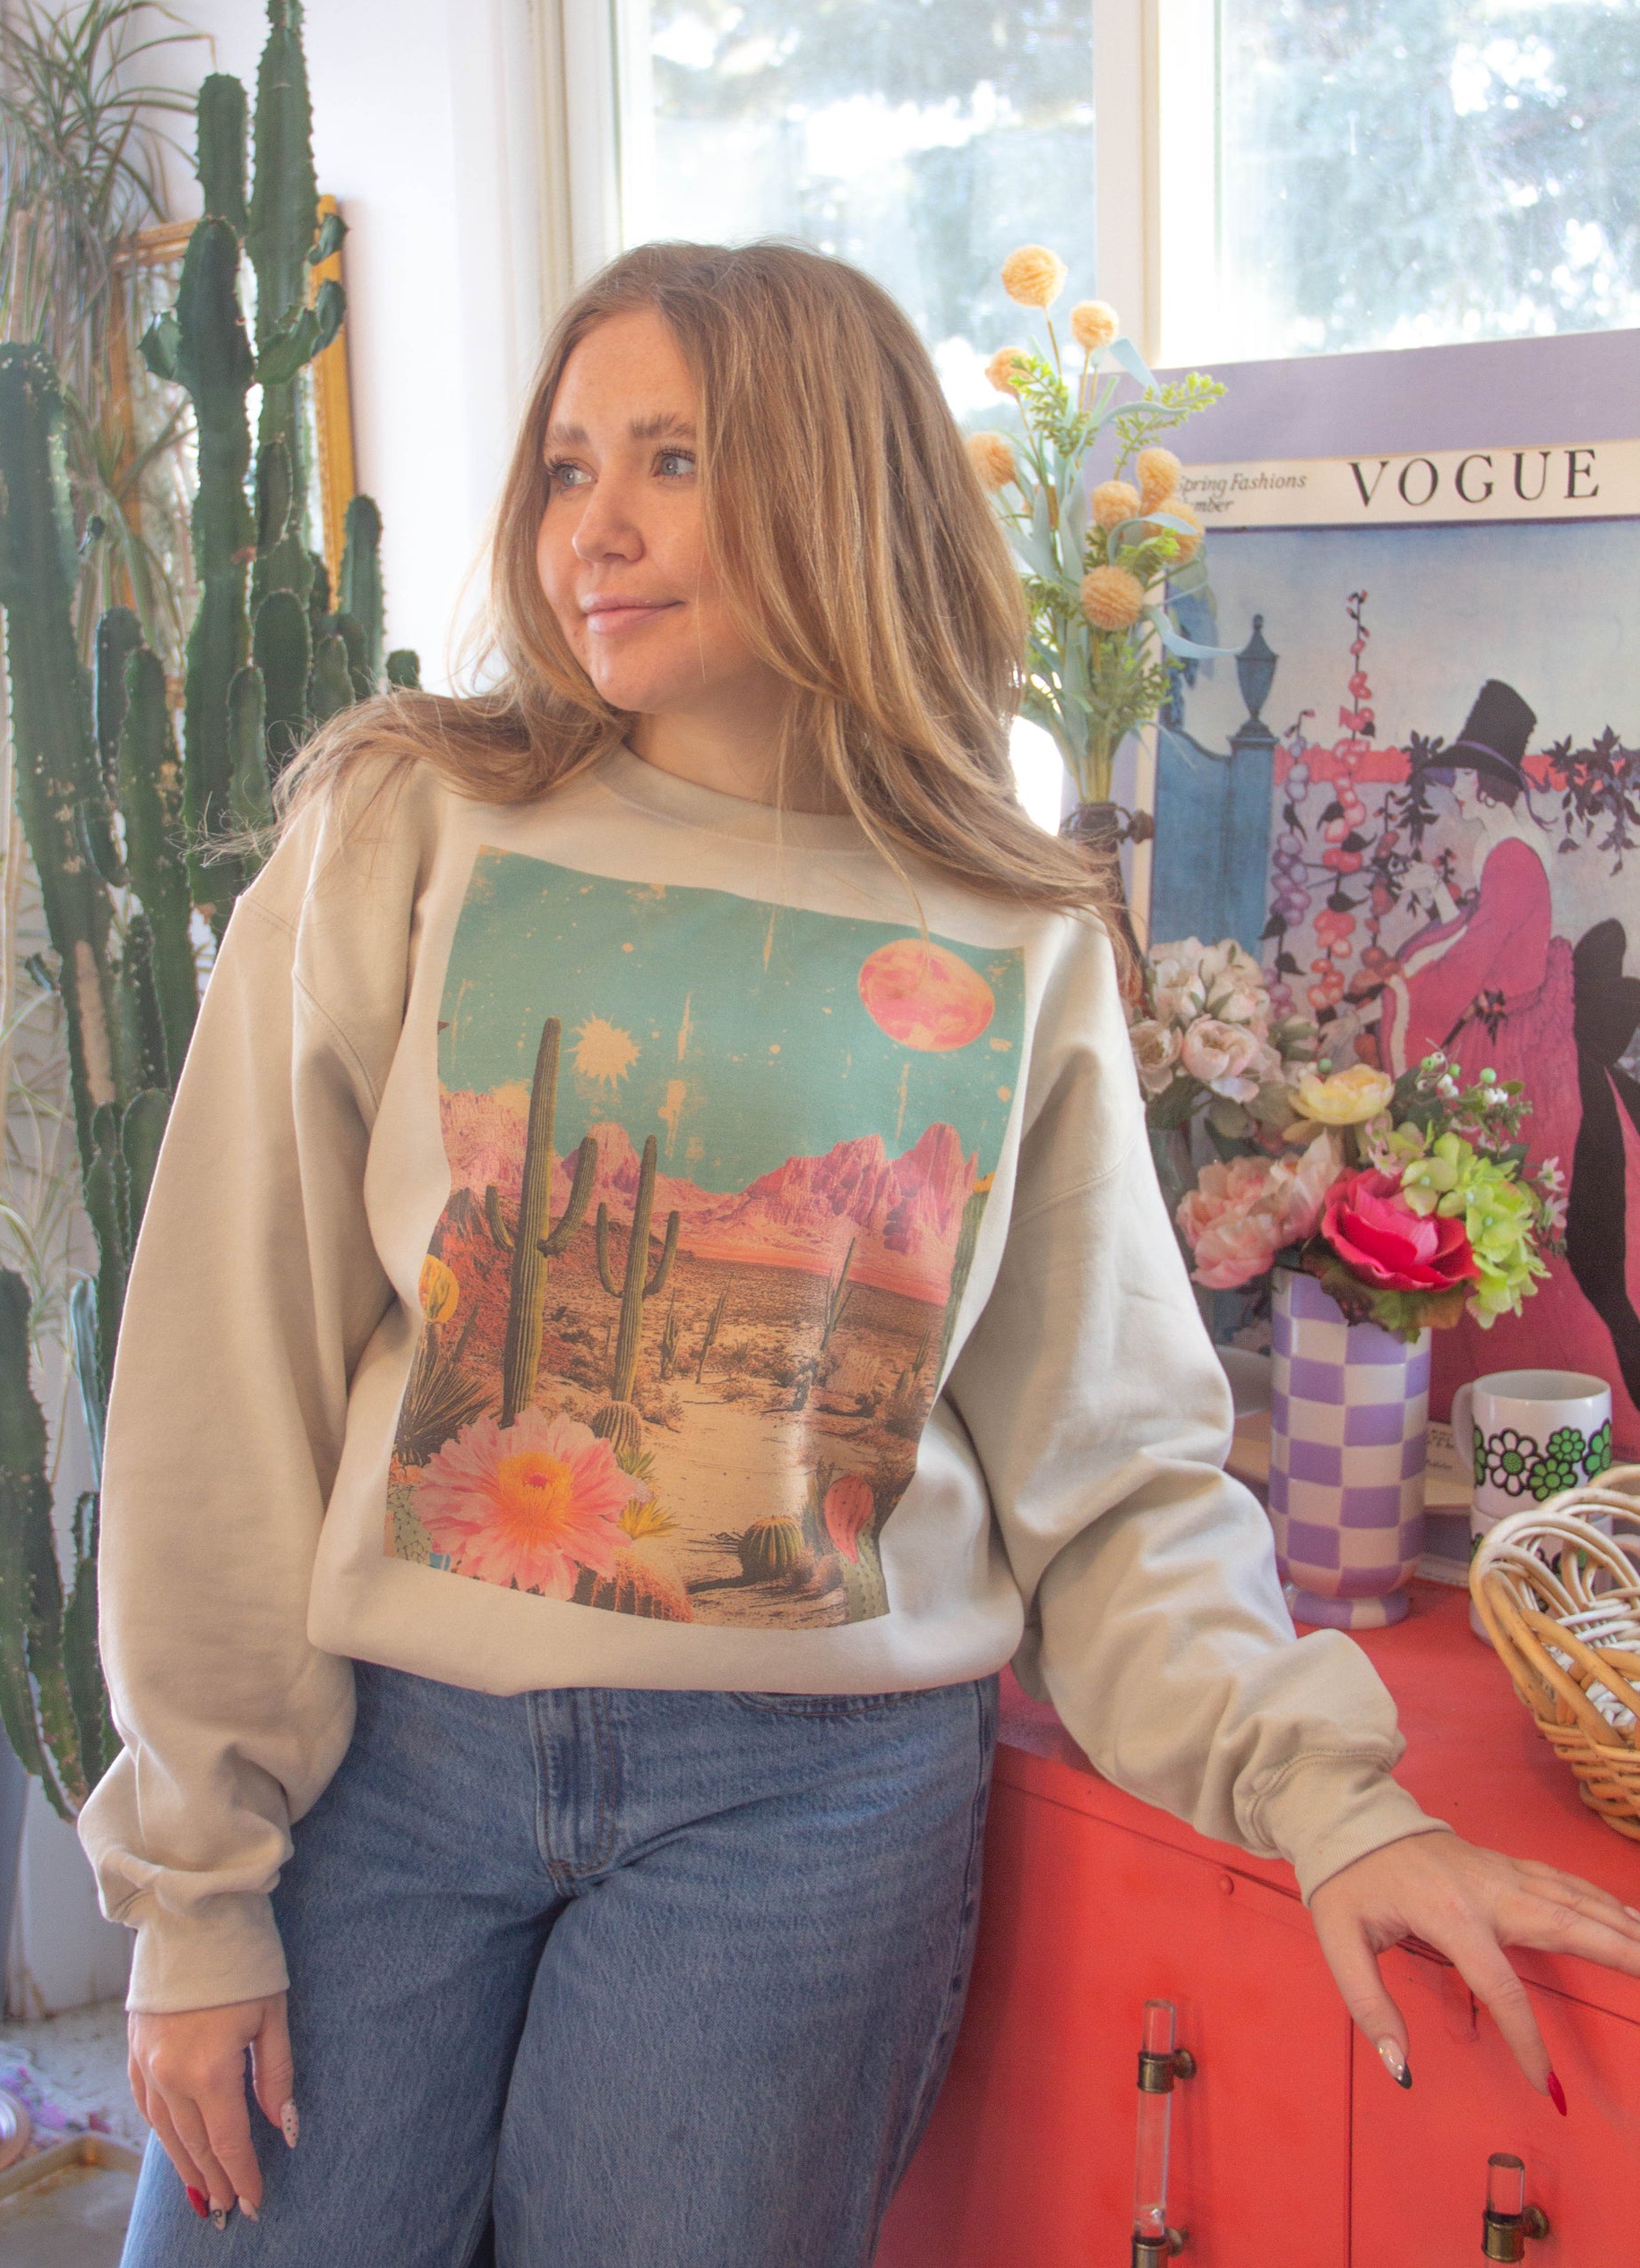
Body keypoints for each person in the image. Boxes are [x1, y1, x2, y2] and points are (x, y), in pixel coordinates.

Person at [87, 245, 1640, 2267]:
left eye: (671, 460)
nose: (593, 528)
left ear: (832, 485)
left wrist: (1330, 1797)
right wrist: (194, 1879)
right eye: (567, 466)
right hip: (393, 1764)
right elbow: (227, 1356)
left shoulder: (1007, 919)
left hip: (806, 1813)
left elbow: (1113, 1465)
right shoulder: (408, 819)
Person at [1381, 679, 1639, 1413]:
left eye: (1464, 775)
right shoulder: (1510, 849)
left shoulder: (1511, 857)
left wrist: (1406, 984)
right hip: (1513, 1030)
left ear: (1483, 782)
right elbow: (1479, 938)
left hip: (1515, 1051)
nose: (1456, 788)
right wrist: (1426, 937)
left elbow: (1475, 954)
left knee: (1496, 1214)